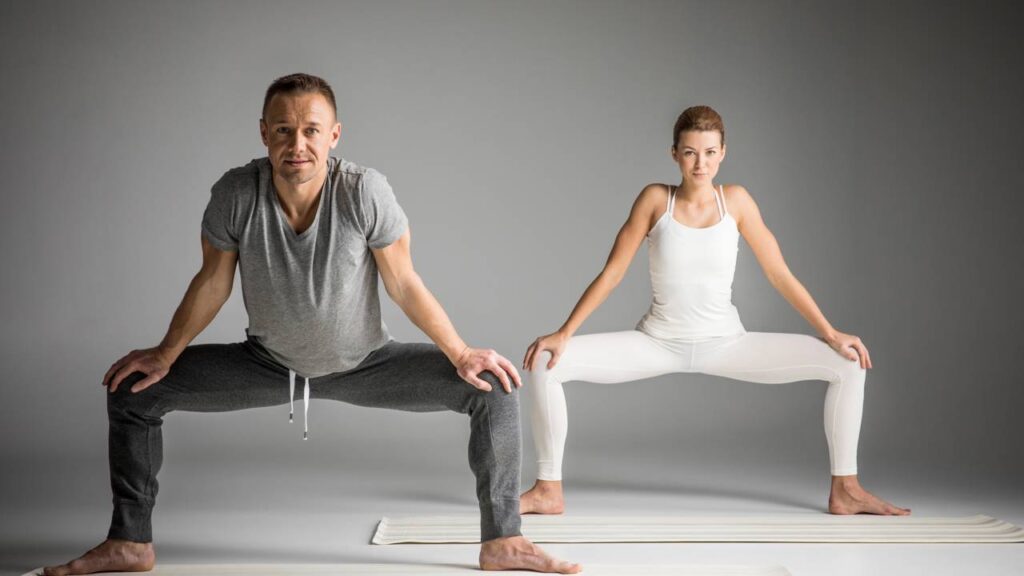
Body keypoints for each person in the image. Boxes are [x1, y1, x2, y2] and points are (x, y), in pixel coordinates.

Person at [44, 73, 580, 575]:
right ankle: (130, 542)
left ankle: (502, 540)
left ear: (334, 135)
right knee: (133, 391)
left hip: (366, 364)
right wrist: (165, 353)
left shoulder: (364, 191)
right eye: (283, 130)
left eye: (311, 130)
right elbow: (212, 283)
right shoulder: (236, 193)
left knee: (494, 388)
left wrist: (461, 353)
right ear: (264, 133)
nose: (297, 144)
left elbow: (404, 282)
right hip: (266, 364)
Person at [518, 105, 909, 518]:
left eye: (708, 153)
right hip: (657, 343)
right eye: (689, 153)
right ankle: (548, 490)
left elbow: (779, 274)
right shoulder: (655, 200)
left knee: (848, 363)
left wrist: (829, 332)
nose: (699, 164)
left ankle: (846, 489)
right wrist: (564, 332)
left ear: (723, 153)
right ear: (674, 154)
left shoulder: (736, 202)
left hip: (726, 344)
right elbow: (612, 273)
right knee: (545, 363)